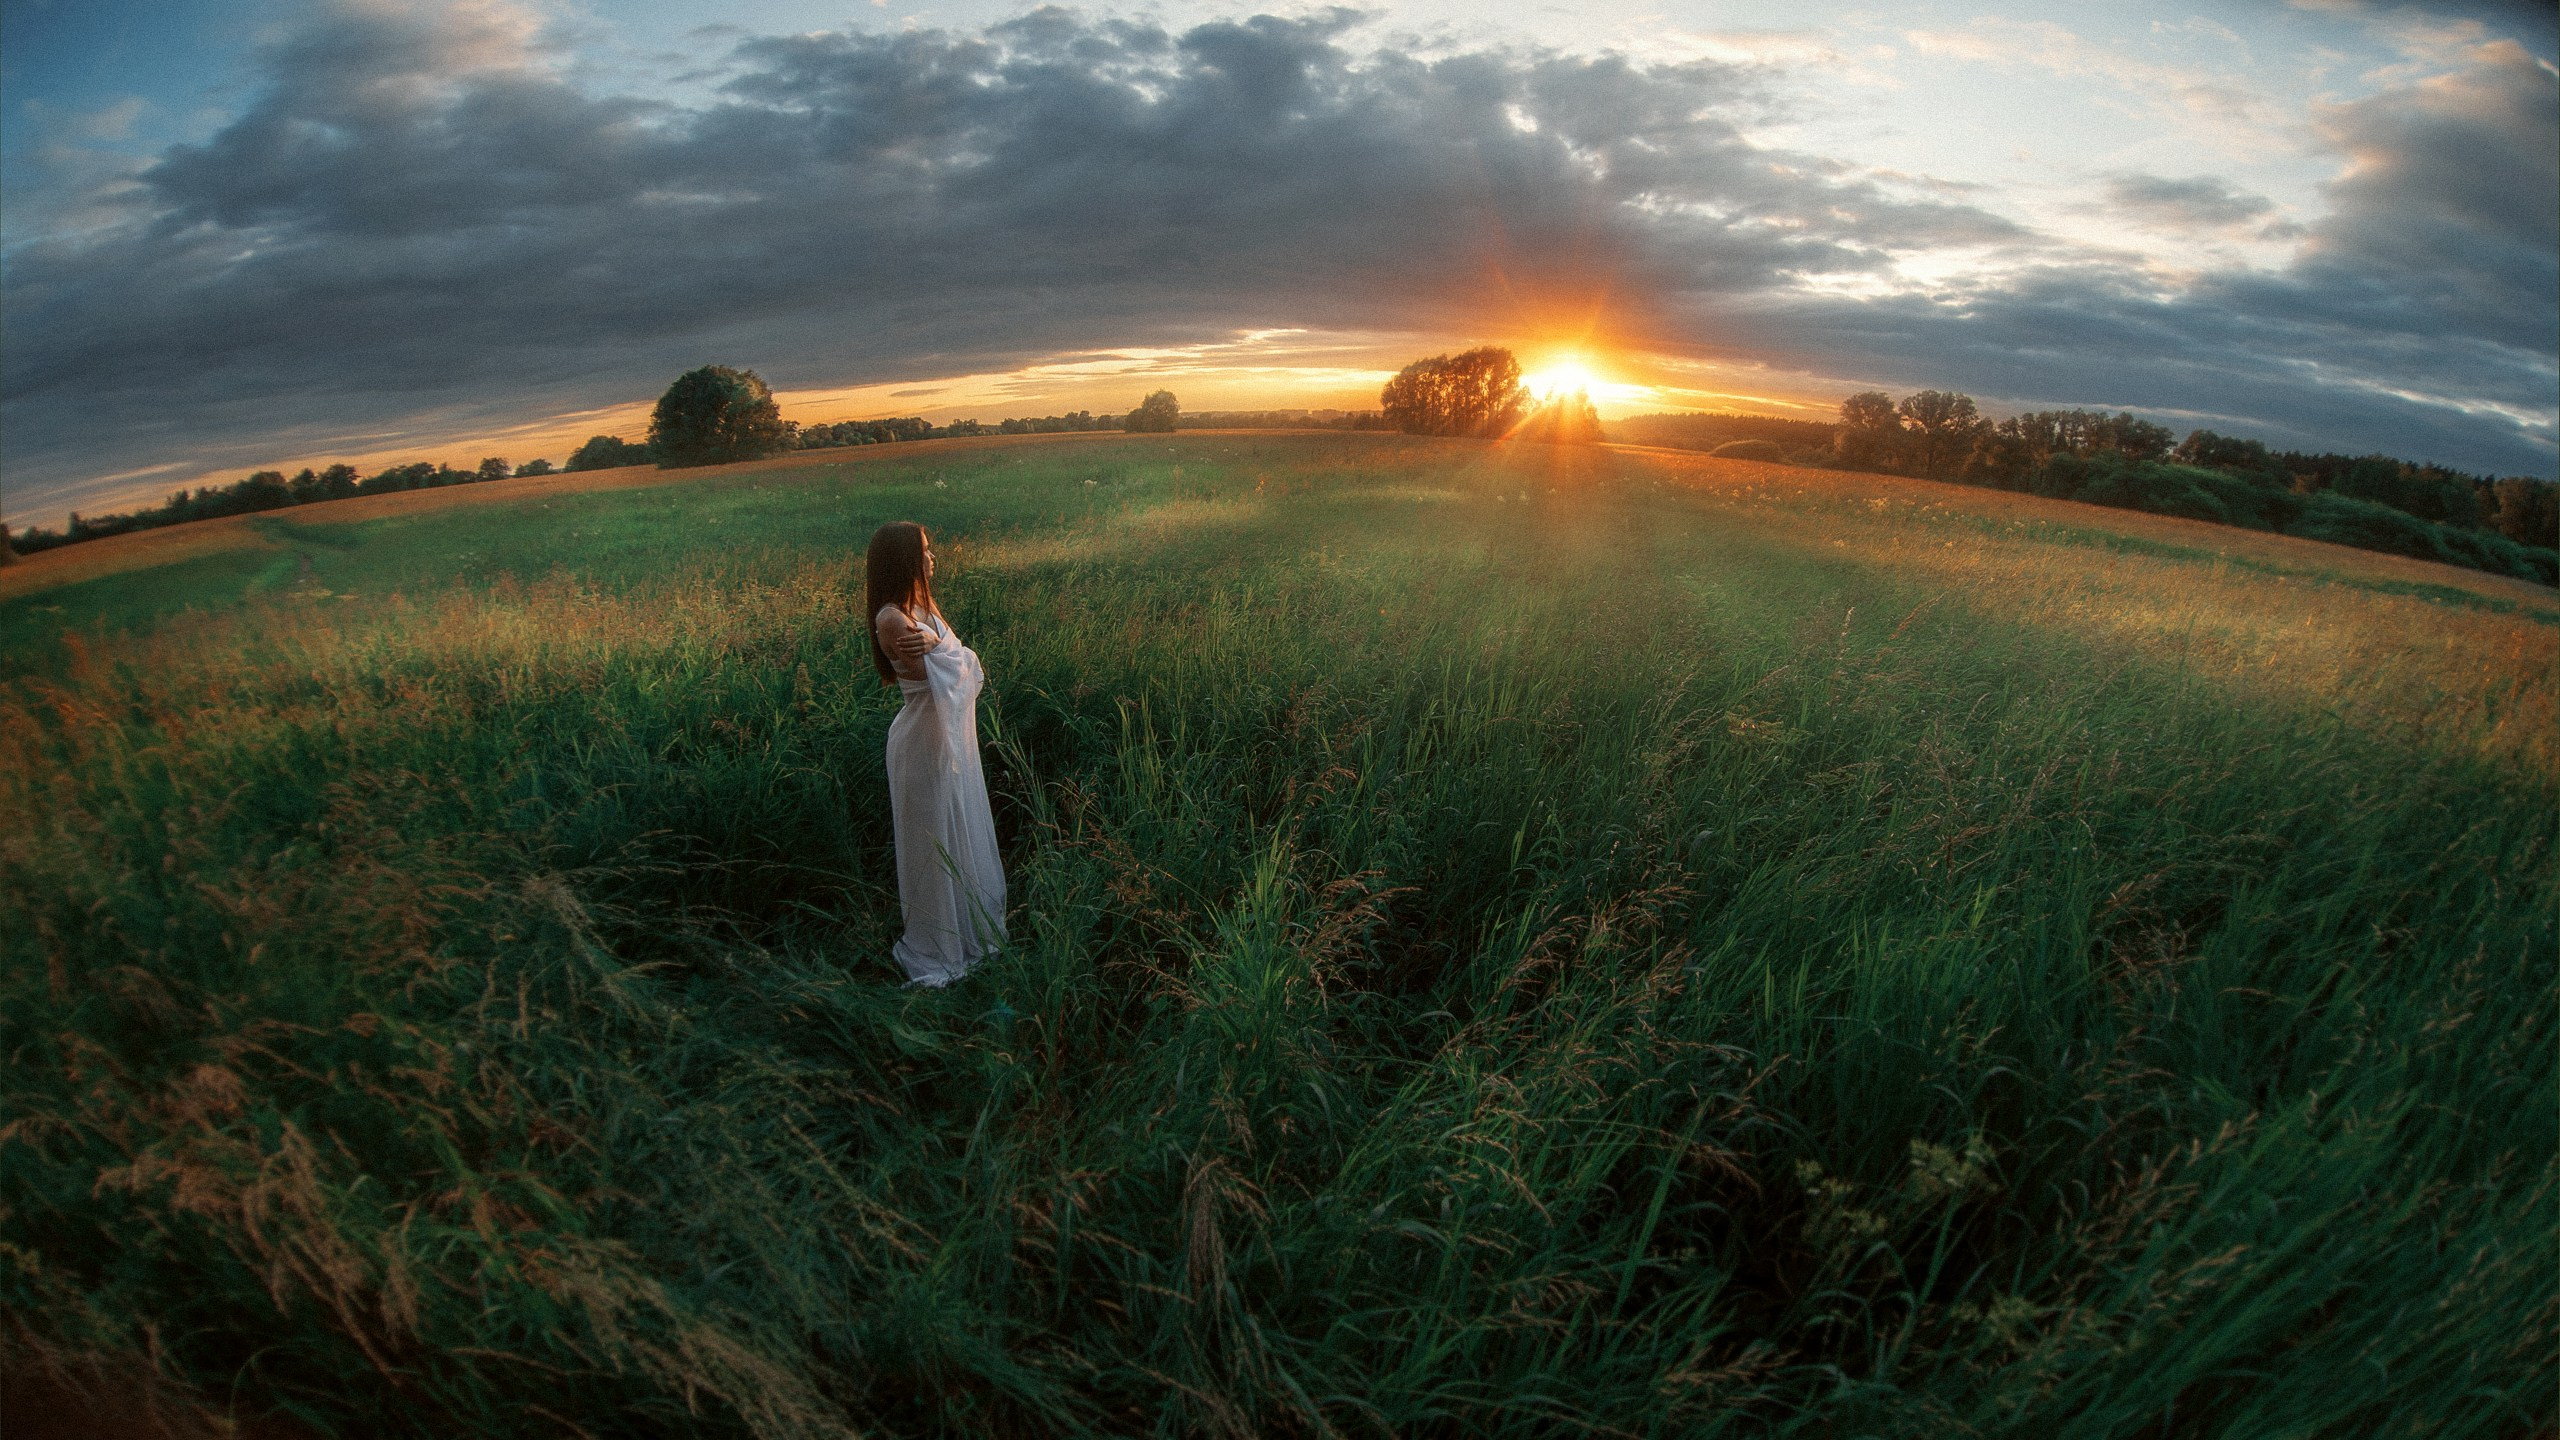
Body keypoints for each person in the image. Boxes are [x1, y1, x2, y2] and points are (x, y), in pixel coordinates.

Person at [867, 521, 1005, 986]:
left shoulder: (922, 605)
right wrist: (944, 649)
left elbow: (952, 658)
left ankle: (966, 930)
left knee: (957, 826)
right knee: (932, 841)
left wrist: (938, 645)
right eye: (924, 551)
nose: (932, 558)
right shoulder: (891, 618)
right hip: (922, 744)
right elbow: (945, 671)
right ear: (904, 558)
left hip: (946, 737)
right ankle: (937, 942)